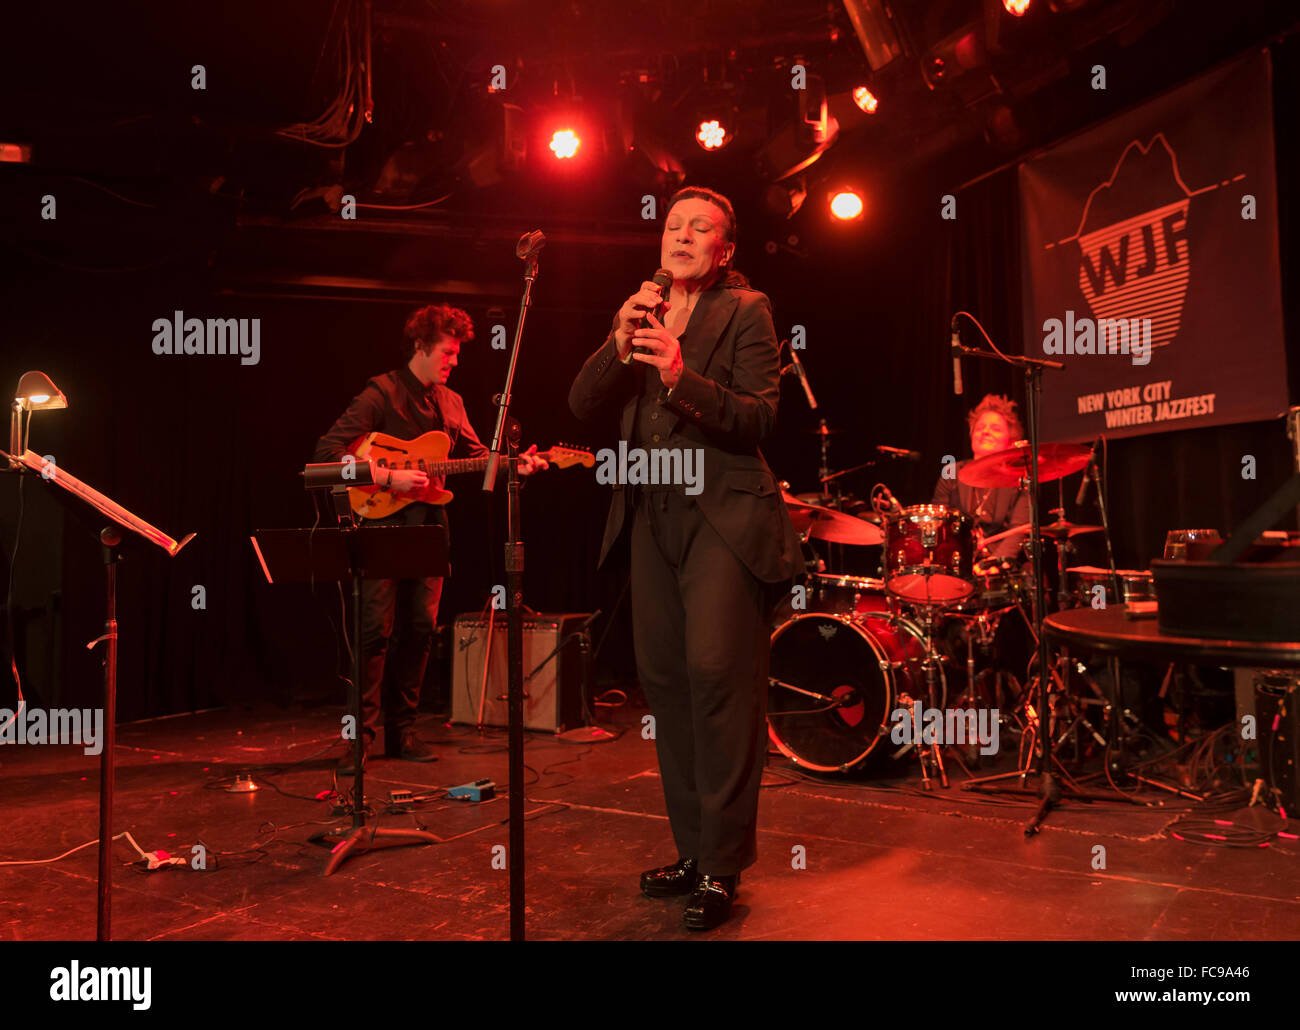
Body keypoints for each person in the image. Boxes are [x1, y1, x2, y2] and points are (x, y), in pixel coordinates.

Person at [568, 186, 800, 931]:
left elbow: (760, 414)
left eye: (701, 228)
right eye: (673, 226)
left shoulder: (748, 310)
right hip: (650, 513)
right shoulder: (641, 311)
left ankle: (724, 866)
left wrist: (677, 373)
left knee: (717, 682)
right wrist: (617, 338)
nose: (683, 235)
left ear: (724, 250)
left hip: (721, 518)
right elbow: (579, 403)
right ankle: (693, 852)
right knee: (666, 684)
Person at [313, 303, 546, 773]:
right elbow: (325, 455)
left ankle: (404, 732)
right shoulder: (380, 393)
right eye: (448, 351)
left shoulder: (452, 404)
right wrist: (385, 476)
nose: (454, 361)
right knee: (374, 632)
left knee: (420, 630)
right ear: (421, 346)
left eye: (457, 353)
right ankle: (360, 741)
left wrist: (517, 466)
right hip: (379, 526)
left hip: (428, 530)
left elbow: (481, 458)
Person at [932, 394, 1032, 562]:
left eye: (996, 428)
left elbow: (1020, 529)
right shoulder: (951, 473)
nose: (985, 431)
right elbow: (938, 524)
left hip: (1002, 567)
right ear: (972, 435)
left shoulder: (1020, 477)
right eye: (980, 427)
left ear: (1011, 440)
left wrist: (994, 563)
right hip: (959, 563)